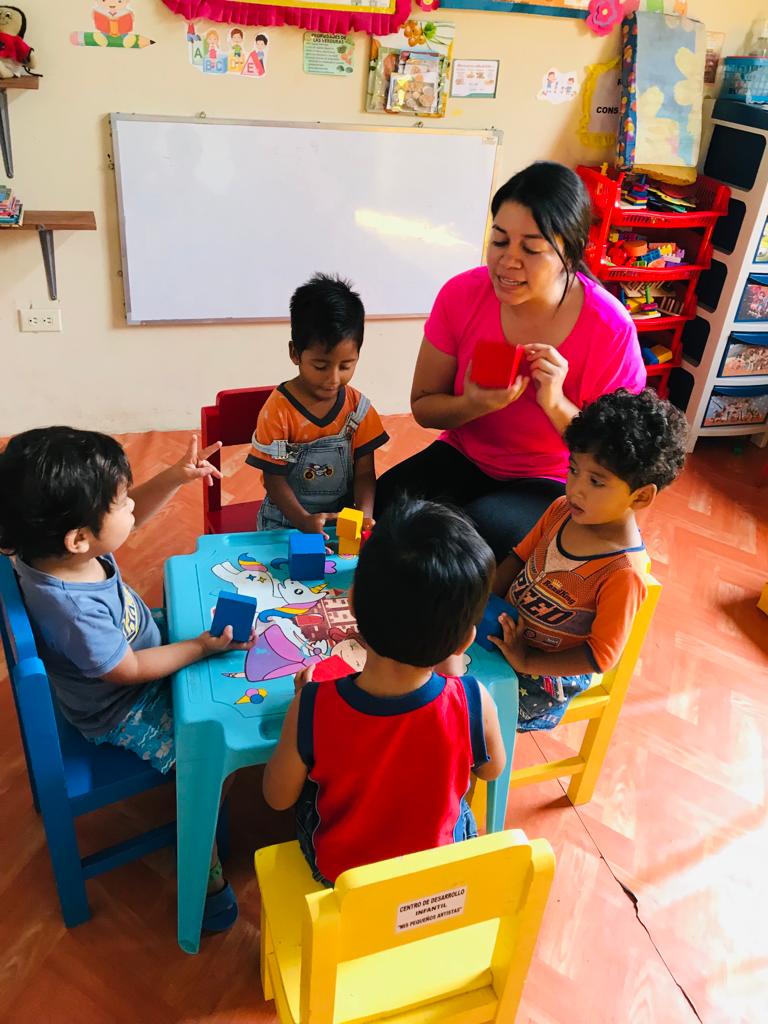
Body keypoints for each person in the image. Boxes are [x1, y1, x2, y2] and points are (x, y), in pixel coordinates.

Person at [0, 427, 255, 932]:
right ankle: (201, 862)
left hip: (133, 655)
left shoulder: (55, 548)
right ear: (79, 538)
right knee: (211, 761)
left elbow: (127, 517)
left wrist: (175, 477)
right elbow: (128, 671)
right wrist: (199, 647)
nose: (131, 507)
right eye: (119, 502)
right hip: (123, 706)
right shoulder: (73, 609)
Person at [374, 161, 646, 560]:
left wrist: (555, 404)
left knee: (474, 543)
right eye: (500, 241)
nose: (507, 261)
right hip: (464, 454)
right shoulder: (461, 295)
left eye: (531, 249)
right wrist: (472, 404)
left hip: (549, 476)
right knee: (385, 505)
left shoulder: (610, 329)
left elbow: (618, 457)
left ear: (569, 254)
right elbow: (424, 408)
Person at [262, 498, 506, 886]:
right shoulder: (475, 701)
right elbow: (491, 769)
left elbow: (277, 798)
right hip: (434, 876)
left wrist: (301, 711)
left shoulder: (312, 705)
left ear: (351, 601)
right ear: (464, 643)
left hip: (346, 880)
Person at [487, 389, 687, 731]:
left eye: (596, 481)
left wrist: (527, 660)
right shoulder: (561, 510)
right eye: (573, 470)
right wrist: (481, 600)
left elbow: (600, 656)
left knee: (470, 710)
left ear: (640, 496)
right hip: (504, 633)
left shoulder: (623, 572)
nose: (575, 488)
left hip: (541, 678)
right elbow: (518, 558)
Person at [247, 273, 389, 535]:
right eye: (321, 366)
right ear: (295, 354)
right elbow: (274, 480)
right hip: (286, 521)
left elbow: (364, 474)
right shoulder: (278, 411)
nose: (333, 379)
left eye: (346, 366)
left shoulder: (358, 409)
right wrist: (303, 521)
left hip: (341, 521)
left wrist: (364, 517)